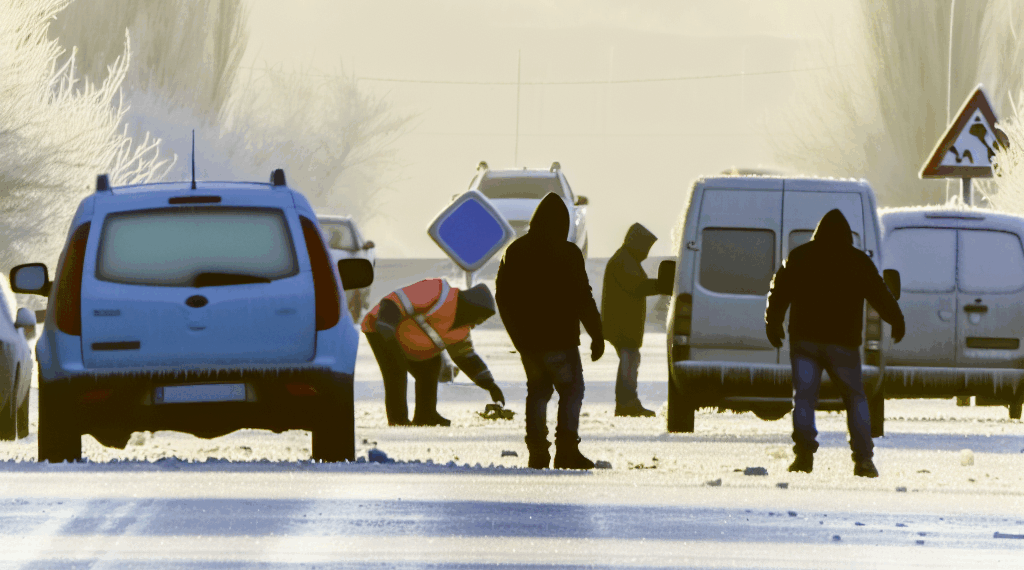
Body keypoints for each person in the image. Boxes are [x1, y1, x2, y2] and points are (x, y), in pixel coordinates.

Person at [765, 209, 905, 478]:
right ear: (846, 236)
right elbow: (880, 294)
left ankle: (803, 456)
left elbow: (779, 290)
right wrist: (896, 320)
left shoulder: (800, 256)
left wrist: (773, 323)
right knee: (855, 399)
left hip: (805, 341)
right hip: (844, 343)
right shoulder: (857, 260)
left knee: (804, 398)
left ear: (818, 233)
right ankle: (864, 460)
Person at [495, 192, 604, 470]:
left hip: (528, 343)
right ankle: (566, 450)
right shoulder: (568, 253)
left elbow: (503, 297)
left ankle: (537, 453)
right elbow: (583, 297)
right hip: (561, 341)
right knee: (571, 391)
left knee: (538, 392)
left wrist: (517, 337)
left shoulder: (515, 251)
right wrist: (597, 334)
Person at [362, 279, 505, 427]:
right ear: (471, 308)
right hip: (382, 328)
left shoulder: (461, 330)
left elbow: (467, 359)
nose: (476, 324)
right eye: (479, 318)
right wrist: (386, 324)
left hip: (409, 343)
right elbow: (394, 301)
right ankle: (398, 420)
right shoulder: (438, 291)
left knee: (431, 366)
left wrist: (491, 386)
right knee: (396, 370)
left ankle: (425, 415)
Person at [602, 222, 664, 417]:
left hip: (625, 323)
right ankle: (626, 403)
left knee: (631, 361)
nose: (647, 252)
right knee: (629, 362)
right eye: (646, 247)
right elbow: (637, 286)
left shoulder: (627, 260)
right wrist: (663, 285)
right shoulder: (624, 261)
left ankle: (629, 402)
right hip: (622, 324)